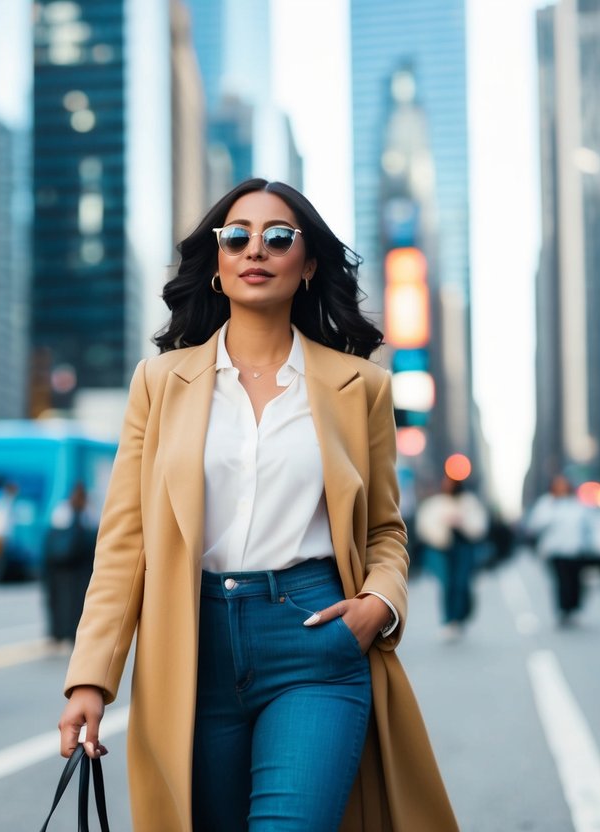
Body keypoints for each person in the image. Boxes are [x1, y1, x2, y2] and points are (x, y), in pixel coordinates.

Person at [56, 179, 457, 831]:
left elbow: (385, 530)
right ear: (215, 266)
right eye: (235, 237)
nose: (255, 250)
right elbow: (123, 544)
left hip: (312, 642)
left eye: (277, 238)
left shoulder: (362, 389)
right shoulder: (159, 384)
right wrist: (89, 680)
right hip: (190, 647)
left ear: (307, 265)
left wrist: (377, 606)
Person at [416, 475, 489, 641]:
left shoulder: (469, 502)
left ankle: (460, 616)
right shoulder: (435, 504)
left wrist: (462, 522)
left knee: (462, 583)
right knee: (447, 584)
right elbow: (426, 525)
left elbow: (479, 525)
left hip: (464, 547)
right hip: (441, 549)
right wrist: (441, 530)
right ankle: (450, 620)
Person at [526, 474, 591, 625]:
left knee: (575, 580)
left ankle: (574, 607)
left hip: (575, 550)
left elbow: (585, 525)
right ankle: (563, 609)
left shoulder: (576, 504)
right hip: (555, 551)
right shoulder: (546, 504)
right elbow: (535, 525)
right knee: (561, 581)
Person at [43, 482, 98, 647]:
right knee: (62, 601)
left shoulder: (85, 514)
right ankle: (59, 632)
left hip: (76, 568)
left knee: (74, 602)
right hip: (64, 568)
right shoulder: (67, 513)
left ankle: (69, 632)